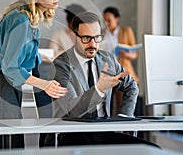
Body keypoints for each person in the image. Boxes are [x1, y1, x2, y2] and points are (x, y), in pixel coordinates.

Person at [0, 0, 67, 149]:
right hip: (1, 84)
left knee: (12, 144)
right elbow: (10, 67)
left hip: (7, 84)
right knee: (7, 145)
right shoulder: (22, 20)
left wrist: (40, 56)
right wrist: (44, 84)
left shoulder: (29, 15)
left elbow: (20, 50)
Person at [46, 11, 157, 147]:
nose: (93, 44)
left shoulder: (107, 59)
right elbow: (73, 111)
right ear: (74, 37)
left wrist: (124, 116)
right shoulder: (60, 65)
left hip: (104, 132)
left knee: (153, 150)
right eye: (86, 38)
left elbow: (131, 86)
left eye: (96, 37)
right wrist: (99, 89)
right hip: (72, 134)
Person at [102, 6, 139, 114]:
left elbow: (134, 54)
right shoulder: (102, 32)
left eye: (109, 20)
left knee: (121, 103)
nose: (106, 23)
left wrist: (127, 54)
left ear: (117, 18)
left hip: (122, 69)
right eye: (105, 20)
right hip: (106, 70)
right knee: (106, 104)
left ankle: (121, 129)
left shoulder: (126, 31)